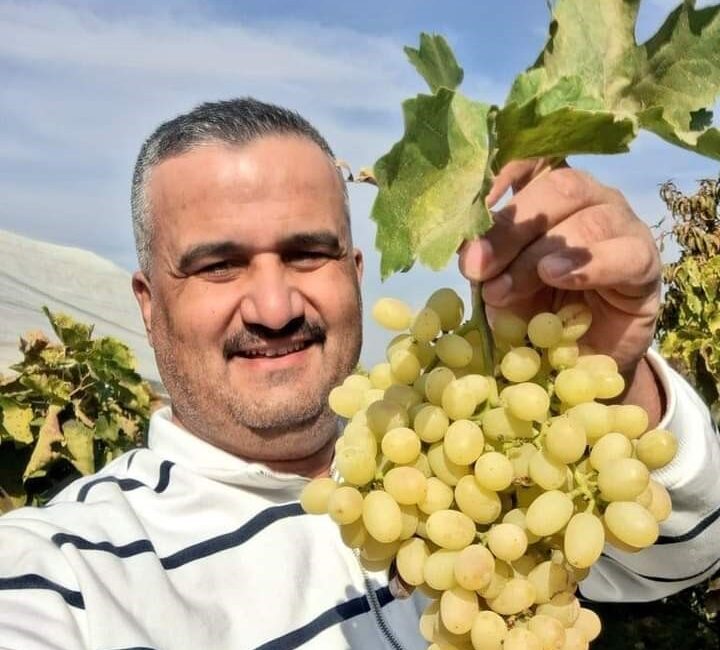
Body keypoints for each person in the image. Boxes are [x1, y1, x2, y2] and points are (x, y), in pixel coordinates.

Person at [0, 97, 717, 650]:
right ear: (149, 304)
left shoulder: (464, 459)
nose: (275, 306)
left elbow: (686, 558)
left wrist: (612, 378)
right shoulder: (62, 576)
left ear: (357, 273)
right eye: (218, 264)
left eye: (309, 253)